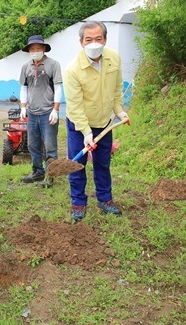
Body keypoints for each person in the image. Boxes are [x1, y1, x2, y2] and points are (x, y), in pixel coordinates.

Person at [63, 21, 129, 222]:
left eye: (98, 39)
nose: (94, 43)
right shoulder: (72, 70)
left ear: (105, 40)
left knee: (102, 163)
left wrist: (119, 111)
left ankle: (104, 199)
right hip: (78, 125)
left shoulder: (114, 60)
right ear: (81, 42)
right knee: (77, 164)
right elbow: (74, 106)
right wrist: (86, 133)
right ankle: (78, 203)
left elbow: (116, 90)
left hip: (104, 122)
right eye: (89, 40)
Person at [19, 35, 62, 188]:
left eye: (38, 48)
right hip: (32, 112)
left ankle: (50, 175)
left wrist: (55, 110)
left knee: (50, 146)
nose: (35, 51)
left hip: (48, 112)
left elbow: (58, 88)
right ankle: (37, 171)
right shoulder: (26, 67)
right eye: (32, 49)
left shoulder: (53, 65)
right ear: (29, 50)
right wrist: (23, 107)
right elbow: (24, 88)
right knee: (32, 145)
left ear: (44, 49)